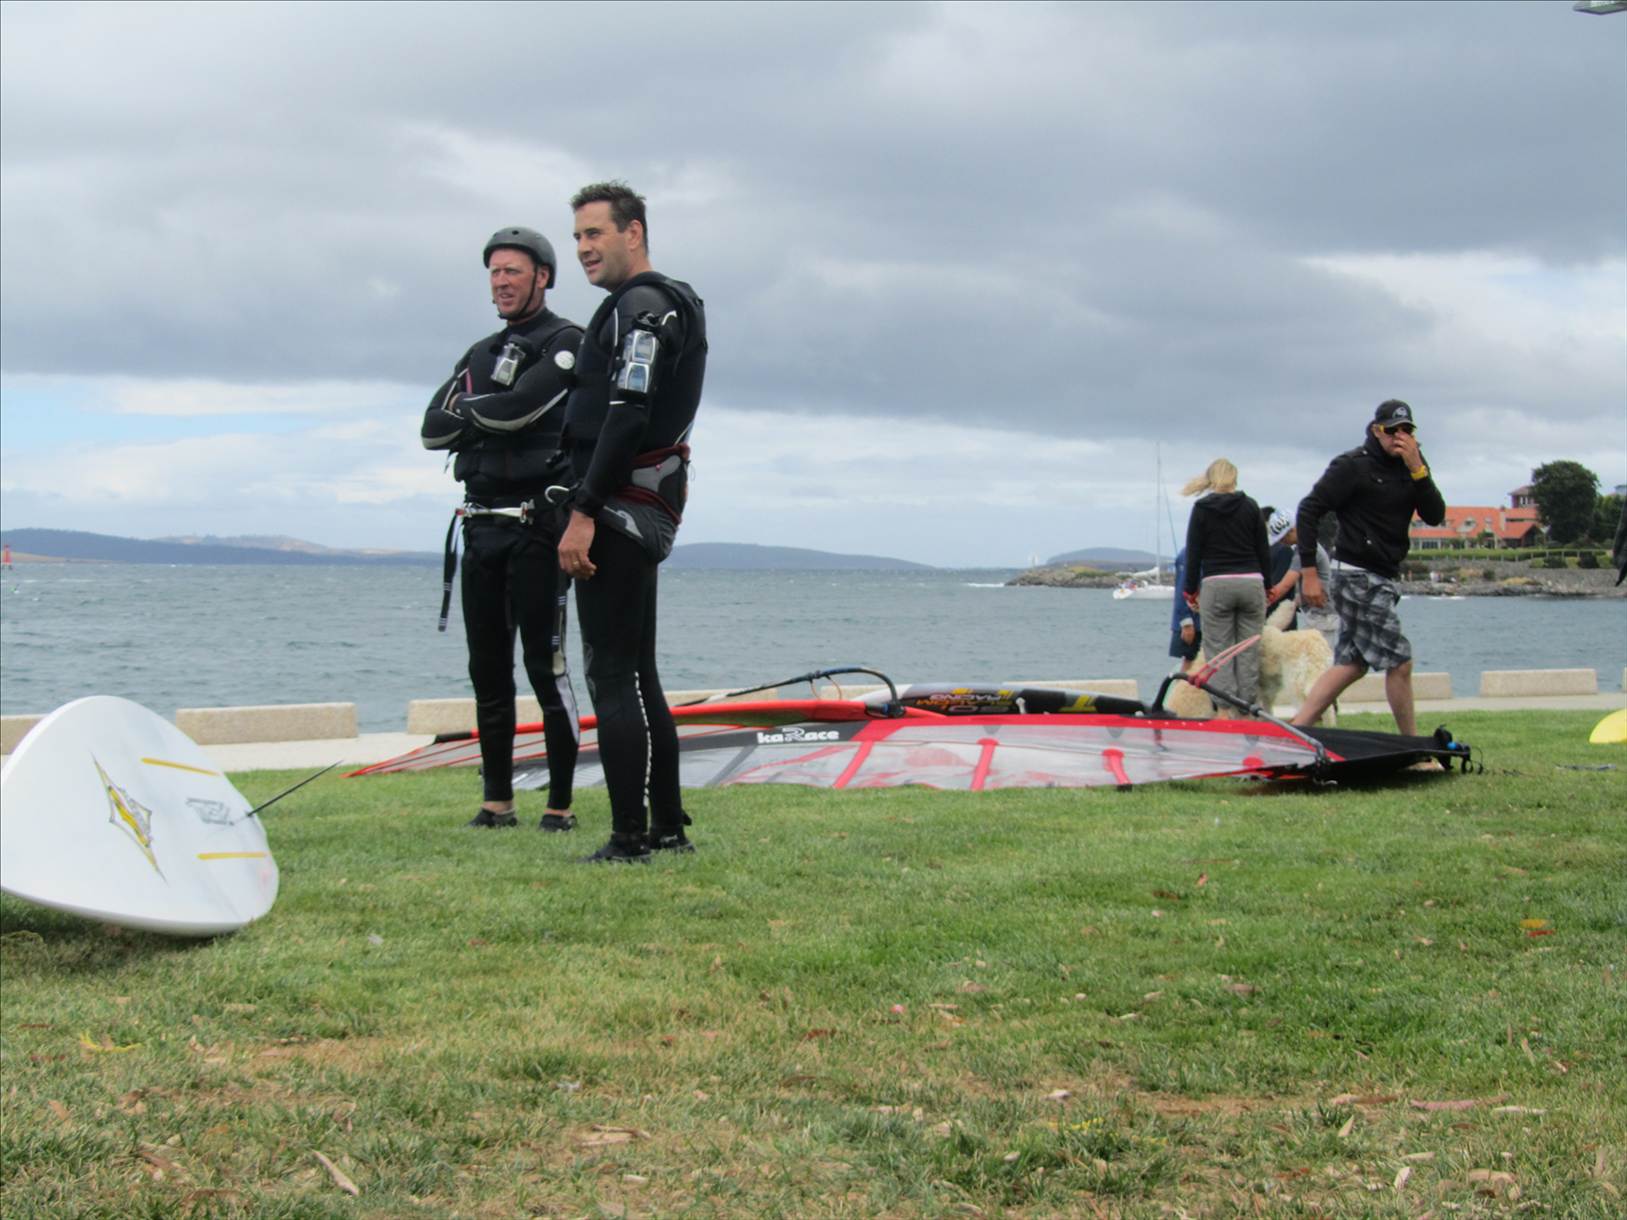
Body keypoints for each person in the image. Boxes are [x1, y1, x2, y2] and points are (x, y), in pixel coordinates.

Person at [558, 182, 707, 863]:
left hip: (618, 510)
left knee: (613, 675)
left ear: (633, 233)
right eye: (577, 237)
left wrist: (583, 509)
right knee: (640, 674)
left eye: (595, 233)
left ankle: (627, 838)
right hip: (642, 506)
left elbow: (627, 412)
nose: (583, 248)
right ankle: (667, 826)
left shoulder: (640, 308)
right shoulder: (663, 304)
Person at [421, 226, 583, 830]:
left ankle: (560, 805)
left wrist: (472, 414)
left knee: (546, 670)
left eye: (513, 270)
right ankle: (497, 803)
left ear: (543, 276)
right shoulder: (479, 353)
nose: (501, 282)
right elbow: (431, 429)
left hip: (539, 528)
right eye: (494, 272)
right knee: (487, 672)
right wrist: (483, 414)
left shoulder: (567, 341)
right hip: (481, 529)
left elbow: (518, 412)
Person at [1291, 399, 1446, 735]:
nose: (1398, 436)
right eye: (1391, 430)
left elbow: (1435, 515)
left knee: (1352, 663)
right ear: (1377, 430)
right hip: (1355, 576)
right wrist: (1309, 572)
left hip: (1384, 575)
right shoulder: (1353, 466)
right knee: (1400, 662)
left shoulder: (1413, 465)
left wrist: (1418, 469)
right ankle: (1412, 746)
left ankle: (1297, 729)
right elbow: (1309, 510)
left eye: (1406, 430)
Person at [1180, 458, 1270, 713]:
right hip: (1251, 582)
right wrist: (1269, 584)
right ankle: (1247, 710)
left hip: (1217, 583)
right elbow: (1263, 549)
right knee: (1248, 650)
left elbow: (1194, 553)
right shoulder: (1251, 506)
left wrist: (1190, 590)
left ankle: (1225, 710)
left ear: (1211, 479)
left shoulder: (1202, 508)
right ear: (1235, 478)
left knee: (1219, 651)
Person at [1168, 546, 1201, 673]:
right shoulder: (1188, 553)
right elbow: (1183, 589)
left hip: (1206, 620)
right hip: (1193, 621)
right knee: (1189, 664)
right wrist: (1186, 622)